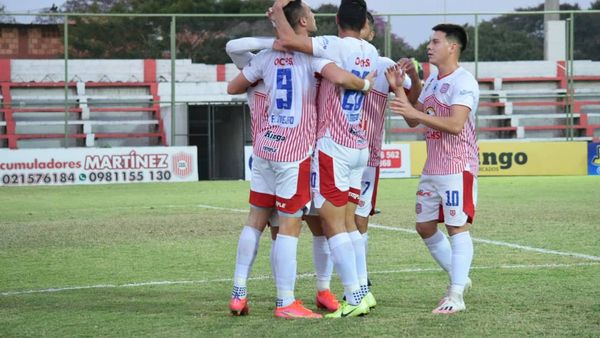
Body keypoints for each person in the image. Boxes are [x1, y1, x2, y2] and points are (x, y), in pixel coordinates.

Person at [228, 0, 374, 319]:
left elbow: (233, 87)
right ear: (303, 22)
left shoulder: (266, 58)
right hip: (295, 153)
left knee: (256, 221)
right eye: (309, 13)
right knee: (291, 227)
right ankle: (286, 302)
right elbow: (341, 77)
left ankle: (239, 292)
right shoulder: (313, 58)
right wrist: (364, 83)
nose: (314, 16)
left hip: (266, 148)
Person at [269, 0, 378, 318]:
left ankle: (355, 295)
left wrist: (278, 12)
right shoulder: (370, 52)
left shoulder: (333, 45)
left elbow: (288, 41)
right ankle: (362, 293)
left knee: (332, 226)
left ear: (337, 19)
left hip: (334, 146)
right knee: (348, 223)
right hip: (358, 144)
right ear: (364, 23)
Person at [387, 23, 479, 314]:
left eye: (435, 42)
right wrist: (406, 84)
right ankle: (460, 278)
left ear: (452, 47)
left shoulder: (464, 81)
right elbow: (414, 119)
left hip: (456, 165)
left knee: (456, 227)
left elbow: (455, 125)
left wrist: (413, 110)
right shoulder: (434, 81)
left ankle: (456, 295)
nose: (429, 46)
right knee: (424, 227)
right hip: (433, 166)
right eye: (430, 41)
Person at [355, 12, 421, 293]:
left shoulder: (329, 56)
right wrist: (413, 78)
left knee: (331, 216)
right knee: (360, 213)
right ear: (366, 28)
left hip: (332, 149)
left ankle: (338, 280)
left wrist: (413, 77)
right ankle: (359, 277)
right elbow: (412, 101)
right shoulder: (383, 64)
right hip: (367, 152)